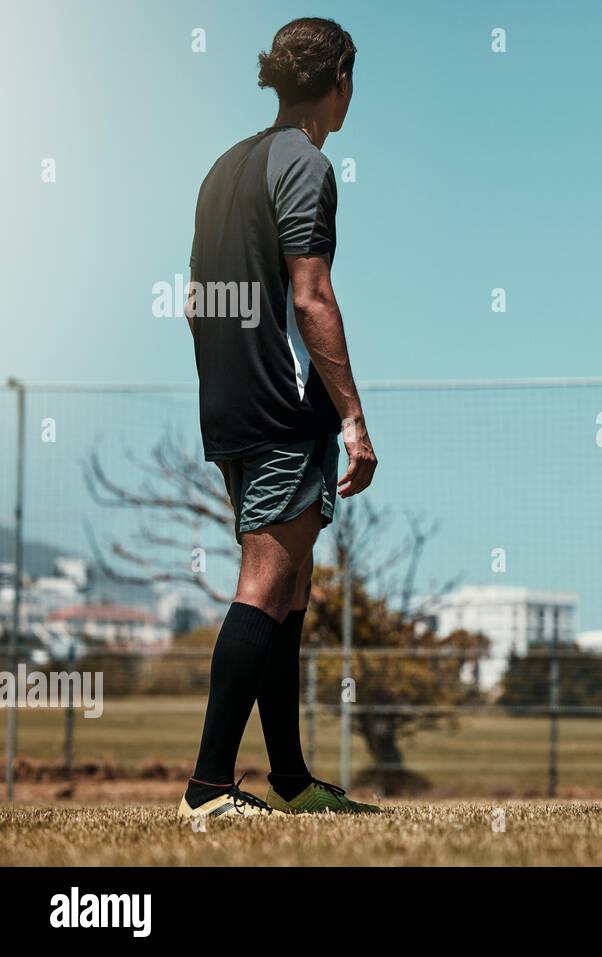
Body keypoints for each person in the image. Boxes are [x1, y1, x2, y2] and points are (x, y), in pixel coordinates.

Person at [179, 17, 379, 818]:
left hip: (229, 402)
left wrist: (231, 379)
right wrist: (354, 420)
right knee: (266, 584)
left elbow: (196, 302)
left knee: (291, 586)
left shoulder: (224, 167)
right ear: (340, 82)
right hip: (282, 404)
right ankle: (206, 790)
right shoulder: (307, 163)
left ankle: (291, 779)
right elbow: (312, 294)